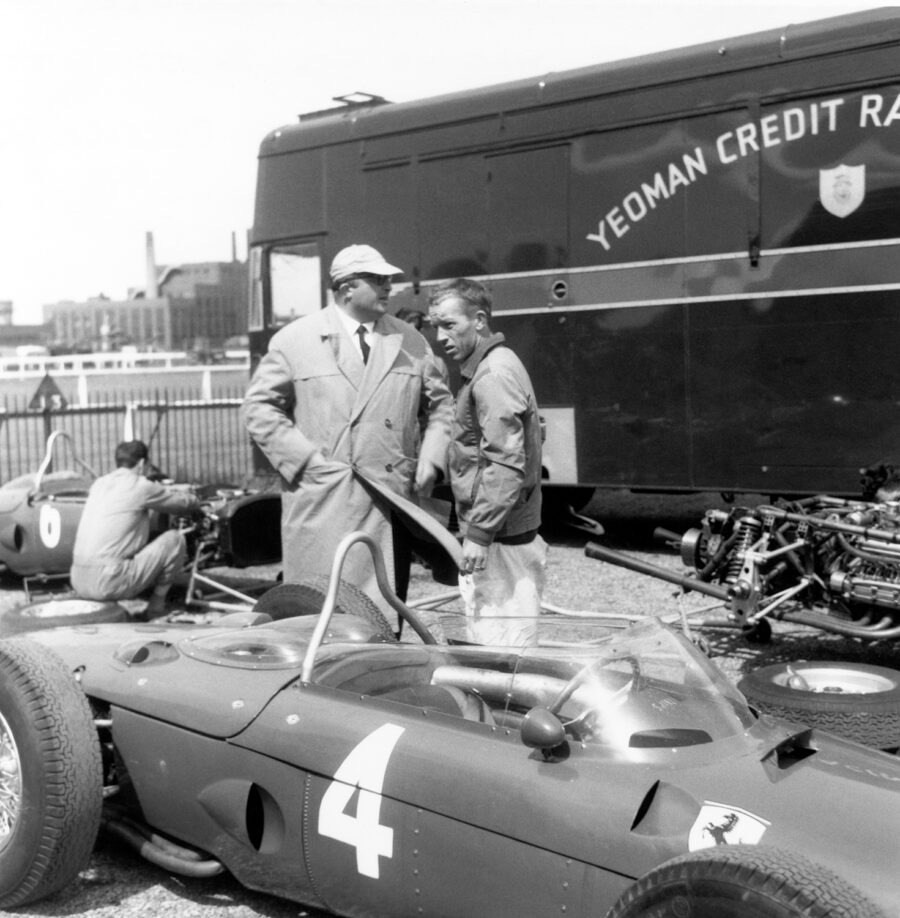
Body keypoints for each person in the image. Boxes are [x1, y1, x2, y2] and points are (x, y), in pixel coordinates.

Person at [241, 244, 452, 633]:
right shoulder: (295, 340)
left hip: (389, 501)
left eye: (389, 279)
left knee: (380, 619)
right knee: (317, 618)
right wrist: (306, 463)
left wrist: (432, 457)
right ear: (346, 288)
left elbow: (441, 407)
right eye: (377, 279)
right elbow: (258, 409)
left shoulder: (411, 340)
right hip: (323, 500)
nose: (389, 287)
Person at [428, 277, 546, 645]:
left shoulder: (492, 375)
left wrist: (479, 534)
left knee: (500, 649)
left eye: (450, 325)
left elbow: (505, 462)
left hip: (501, 537)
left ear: (479, 320)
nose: (440, 336)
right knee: (503, 643)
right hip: (504, 529)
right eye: (436, 326)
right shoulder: (493, 364)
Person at [70, 440, 200, 618]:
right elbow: (182, 504)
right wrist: (194, 497)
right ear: (141, 463)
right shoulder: (141, 486)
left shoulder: (99, 484)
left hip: (78, 579)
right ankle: (156, 606)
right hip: (108, 582)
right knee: (175, 540)